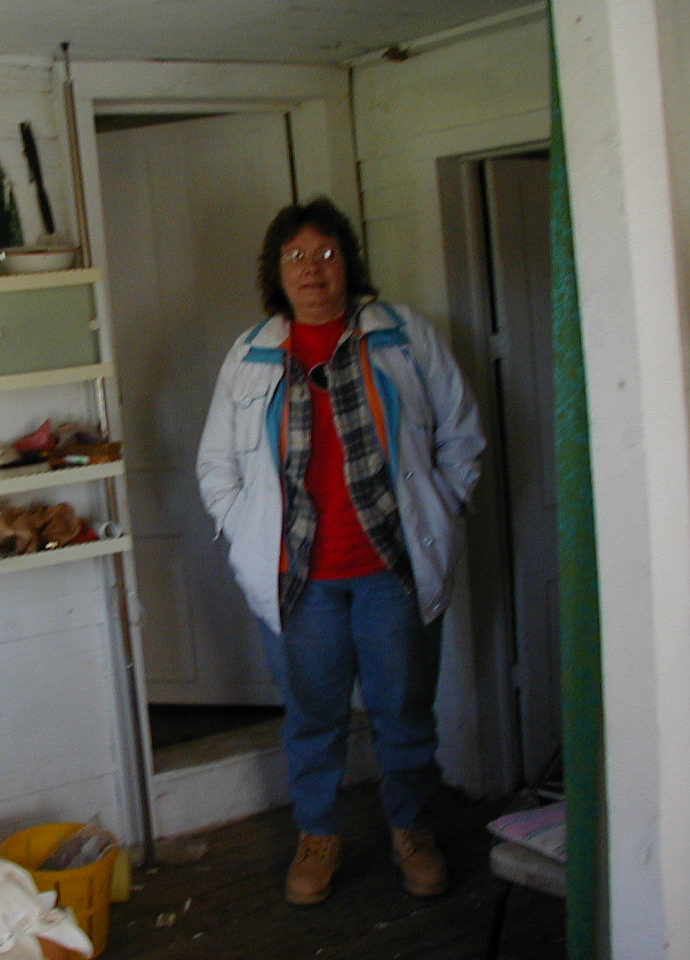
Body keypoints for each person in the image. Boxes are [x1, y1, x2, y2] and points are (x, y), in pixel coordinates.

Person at [196, 197, 485, 905]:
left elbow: (461, 432)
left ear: (347, 263)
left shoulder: (402, 335)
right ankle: (318, 836)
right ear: (277, 272)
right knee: (313, 720)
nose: (312, 269)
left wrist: (446, 507)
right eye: (296, 257)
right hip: (298, 579)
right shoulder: (250, 354)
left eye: (325, 254)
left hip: (393, 570)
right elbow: (216, 465)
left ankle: (411, 831)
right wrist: (244, 529)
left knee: (403, 713)